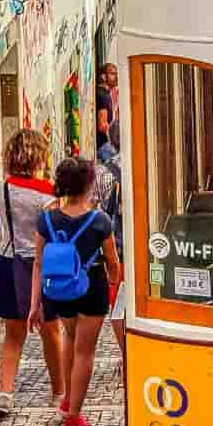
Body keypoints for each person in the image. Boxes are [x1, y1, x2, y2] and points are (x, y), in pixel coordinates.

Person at [30, 158, 121, 426]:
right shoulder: (99, 221)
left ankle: (67, 400)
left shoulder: (46, 219)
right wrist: (115, 281)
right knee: (85, 352)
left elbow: (37, 262)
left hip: (58, 290)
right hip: (91, 286)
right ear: (89, 184)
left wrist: (35, 304)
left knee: (70, 339)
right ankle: (74, 417)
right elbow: (112, 261)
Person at [0, 130, 66, 415]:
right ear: (38, 158)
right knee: (51, 333)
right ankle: (58, 393)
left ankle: (5, 394)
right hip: (42, 269)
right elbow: (57, 235)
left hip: (8, 265)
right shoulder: (49, 195)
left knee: (13, 335)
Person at [95, 133, 126, 365]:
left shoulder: (104, 173)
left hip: (117, 245)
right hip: (147, 245)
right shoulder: (151, 159)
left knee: (118, 303)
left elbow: (98, 209)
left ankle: (125, 352)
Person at [96, 63, 120, 162]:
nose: (116, 77)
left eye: (116, 74)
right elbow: (102, 126)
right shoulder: (103, 96)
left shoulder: (104, 94)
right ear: (103, 76)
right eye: (112, 74)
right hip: (103, 146)